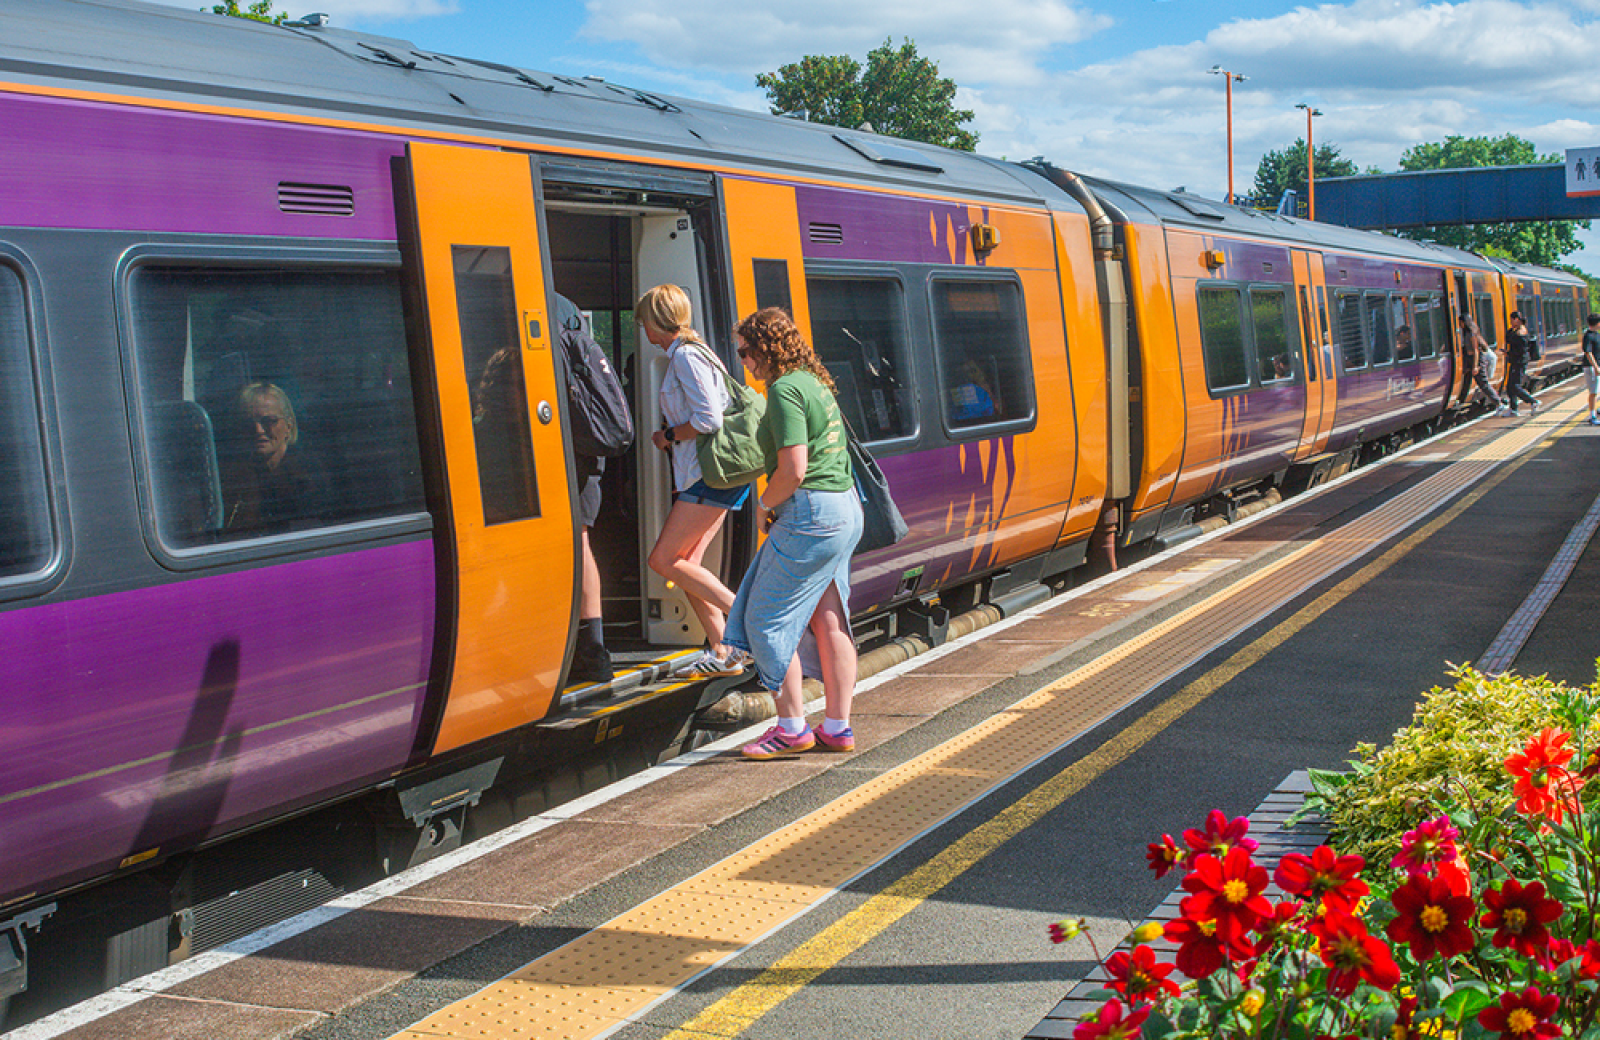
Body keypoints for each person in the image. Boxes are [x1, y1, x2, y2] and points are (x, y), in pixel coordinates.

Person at [727, 307, 864, 760]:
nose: (744, 361)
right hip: (844, 508)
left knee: (764, 620)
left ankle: (790, 729)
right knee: (829, 618)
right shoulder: (814, 381)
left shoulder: (784, 390)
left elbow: (794, 468)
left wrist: (765, 505)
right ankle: (838, 727)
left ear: (765, 348)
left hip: (811, 514)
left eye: (746, 352)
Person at [636, 284, 749, 679]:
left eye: (644, 322)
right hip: (703, 476)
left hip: (709, 476)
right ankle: (724, 651)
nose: (642, 331)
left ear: (656, 322)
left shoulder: (685, 356)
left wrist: (667, 436)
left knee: (663, 560)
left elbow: (708, 421)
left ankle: (749, 623)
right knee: (686, 565)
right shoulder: (694, 352)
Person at [557, 294, 615, 683]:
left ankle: (590, 651)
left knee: (577, 545)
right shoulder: (568, 309)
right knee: (581, 543)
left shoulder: (531, 298)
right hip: (587, 452)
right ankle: (591, 649)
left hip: (567, 454)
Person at [222, 381, 322, 534]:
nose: (258, 430)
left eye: (269, 421)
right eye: (248, 423)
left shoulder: (306, 477)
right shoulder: (235, 477)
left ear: (289, 426)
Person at [1461, 314, 1507, 416]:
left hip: (1476, 360)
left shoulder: (1472, 335)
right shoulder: (1467, 333)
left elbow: (1476, 351)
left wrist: (1475, 366)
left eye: (1461, 322)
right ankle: (1498, 401)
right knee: (1481, 383)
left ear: (1464, 323)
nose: (1460, 325)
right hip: (1470, 360)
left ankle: (1499, 404)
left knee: (1484, 384)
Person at [1502, 310, 1539, 417]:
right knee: (1510, 386)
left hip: (1520, 361)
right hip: (1515, 361)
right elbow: (1508, 338)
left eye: (1512, 320)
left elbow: (1520, 350)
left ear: (1516, 320)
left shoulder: (1521, 333)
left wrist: (1508, 352)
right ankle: (1513, 409)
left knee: (1515, 385)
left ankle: (1533, 402)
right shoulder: (1516, 331)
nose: (1510, 322)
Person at [1584, 314, 1600, 426]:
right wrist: (1595, 367)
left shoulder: (1596, 335)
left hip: (1597, 366)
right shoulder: (1588, 336)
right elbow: (1588, 352)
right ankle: (1592, 415)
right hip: (1591, 367)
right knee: (1593, 392)